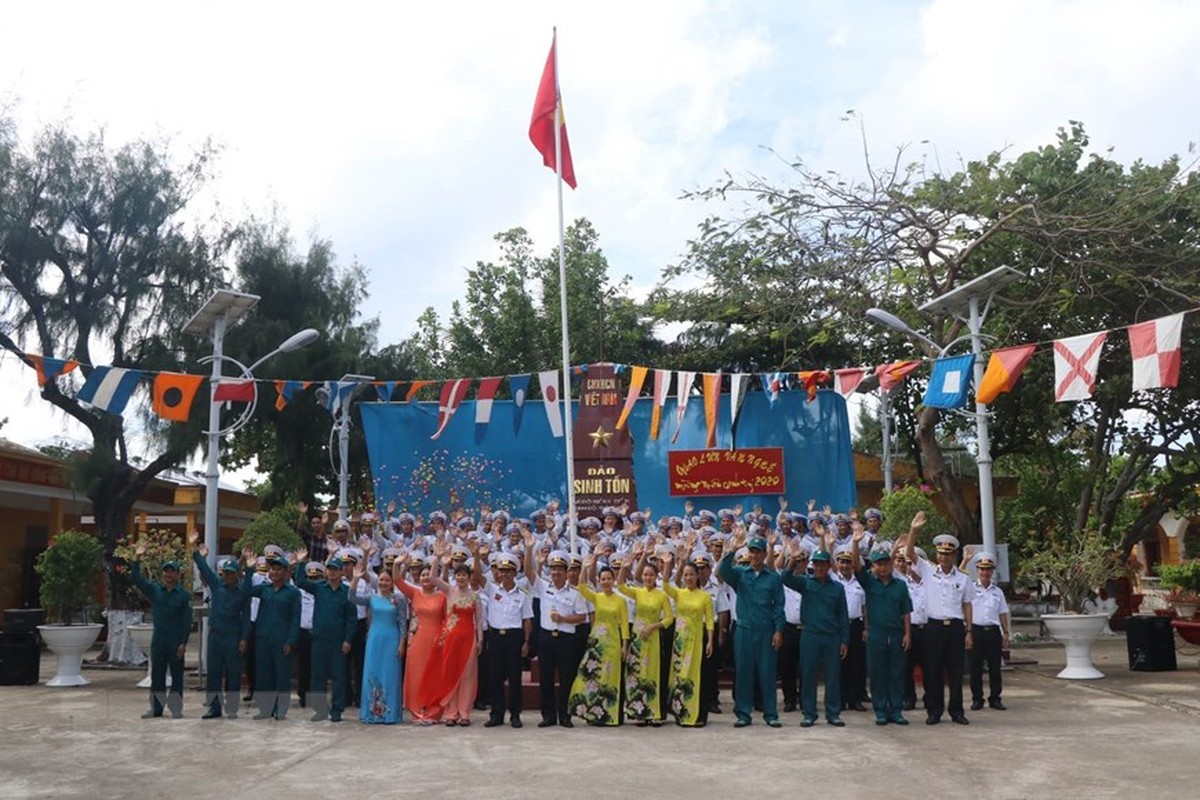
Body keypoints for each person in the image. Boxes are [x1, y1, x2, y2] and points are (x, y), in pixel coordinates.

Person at [905, 514, 974, 725]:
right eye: (941, 554)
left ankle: (956, 711)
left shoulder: (963, 578)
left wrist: (969, 631)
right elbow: (909, 553)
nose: (944, 558)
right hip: (933, 627)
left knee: (955, 671)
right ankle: (934, 711)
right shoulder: (928, 570)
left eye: (948, 554)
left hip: (954, 627)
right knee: (933, 670)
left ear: (954, 555)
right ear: (937, 554)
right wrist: (913, 530)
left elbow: (968, 604)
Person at [717, 530, 786, 728]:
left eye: (758, 552)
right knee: (744, 672)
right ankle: (743, 713)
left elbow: (778, 606)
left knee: (767, 673)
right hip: (744, 630)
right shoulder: (740, 574)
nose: (754, 556)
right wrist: (733, 549)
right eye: (751, 552)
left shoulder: (773, 578)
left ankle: (770, 713)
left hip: (766, 630)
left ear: (765, 554)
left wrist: (779, 630)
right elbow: (723, 570)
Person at [781, 545, 848, 727]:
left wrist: (844, 641)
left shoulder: (837, 588)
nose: (819, 568)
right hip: (810, 635)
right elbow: (785, 578)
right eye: (816, 564)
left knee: (832, 676)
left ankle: (833, 713)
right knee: (808, 675)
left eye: (822, 564)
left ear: (829, 565)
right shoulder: (806, 582)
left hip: (831, 637)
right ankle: (809, 713)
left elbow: (843, 615)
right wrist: (793, 560)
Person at [852, 528, 912, 726]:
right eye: (879, 564)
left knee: (896, 672)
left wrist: (908, 634)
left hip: (896, 634)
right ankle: (880, 710)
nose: (883, 567)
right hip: (876, 633)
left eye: (886, 563)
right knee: (877, 673)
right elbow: (856, 567)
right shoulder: (870, 583)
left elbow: (906, 611)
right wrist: (855, 543)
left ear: (891, 564)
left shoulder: (900, 586)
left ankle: (895, 710)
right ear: (874, 566)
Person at [526, 543, 589, 728]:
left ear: (566, 571)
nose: (555, 572)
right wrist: (529, 549)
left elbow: (582, 616)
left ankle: (565, 715)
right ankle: (548, 716)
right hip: (546, 638)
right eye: (553, 568)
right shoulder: (544, 587)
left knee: (566, 678)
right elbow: (528, 572)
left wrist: (562, 619)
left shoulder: (575, 593)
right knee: (546, 678)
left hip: (566, 639)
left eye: (559, 569)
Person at [189, 530, 251, 719]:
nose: (228, 576)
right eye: (226, 573)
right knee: (214, 674)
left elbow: (247, 617)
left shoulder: (242, 592)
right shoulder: (217, 586)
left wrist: (244, 638)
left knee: (233, 674)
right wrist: (194, 548)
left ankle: (231, 708)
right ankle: (214, 707)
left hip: (233, 637)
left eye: (232, 573)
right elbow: (204, 569)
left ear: (237, 574)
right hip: (215, 636)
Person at [290, 551, 357, 722]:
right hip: (319, 639)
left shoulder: (347, 592)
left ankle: (337, 710)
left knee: (338, 677)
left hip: (338, 641)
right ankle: (319, 710)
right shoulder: (319, 587)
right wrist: (300, 563)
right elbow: (300, 582)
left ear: (342, 572)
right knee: (317, 676)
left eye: (336, 569)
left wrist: (348, 640)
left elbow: (351, 619)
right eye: (330, 569)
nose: (332, 572)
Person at [129, 548, 193, 719]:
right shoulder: (155, 590)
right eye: (166, 571)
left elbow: (187, 620)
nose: (168, 575)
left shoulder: (184, 595)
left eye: (172, 572)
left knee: (177, 676)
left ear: (178, 575)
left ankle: (176, 708)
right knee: (157, 675)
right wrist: (137, 559)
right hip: (159, 640)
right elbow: (136, 579)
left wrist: (183, 642)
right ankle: (156, 709)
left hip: (175, 641)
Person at [617, 548, 674, 726]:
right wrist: (623, 568)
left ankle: (654, 713)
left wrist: (654, 626)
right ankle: (638, 711)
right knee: (637, 673)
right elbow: (620, 586)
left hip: (654, 637)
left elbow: (670, 618)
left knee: (653, 673)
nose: (648, 578)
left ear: (656, 576)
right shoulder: (638, 592)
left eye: (651, 575)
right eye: (645, 575)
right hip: (638, 637)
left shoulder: (661, 595)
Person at [348, 554, 408, 724]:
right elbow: (352, 598)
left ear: (392, 582)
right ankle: (372, 712)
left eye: (387, 580)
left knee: (390, 675)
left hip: (392, 640)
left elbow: (403, 623)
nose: (383, 583)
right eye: (381, 580)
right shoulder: (372, 598)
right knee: (372, 674)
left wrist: (402, 643)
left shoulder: (399, 599)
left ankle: (389, 713)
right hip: (374, 640)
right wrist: (355, 578)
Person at [242, 549, 301, 720]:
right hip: (263, 639)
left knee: (281, 676)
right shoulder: (264, 589)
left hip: (282, 640)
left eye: (278, 569)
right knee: (264, 676)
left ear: (286, 572)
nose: (274, 572)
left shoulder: (292, 593)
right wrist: (250, 570)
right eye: (272, 569)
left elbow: (295, 619)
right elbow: (246, 591)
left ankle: (281, 710)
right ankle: (265, 709)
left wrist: (291, 640)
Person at [569, 557, 629, 726]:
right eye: (603, 579)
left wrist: (625, 646)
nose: (606, 581)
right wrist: (586, 568)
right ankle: (592, 712)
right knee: (591, 677)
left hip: (613, 641)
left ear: (614, 580)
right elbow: (581, 587)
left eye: (609, 578)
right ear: (599, 581)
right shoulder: (596, 597)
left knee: (610, 677)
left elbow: (624, 624)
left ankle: (610, 714)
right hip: (596, 642)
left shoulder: (621, 600)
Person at [479, 551, 533, 728]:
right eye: (502, 571)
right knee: (494, 677)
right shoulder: (492, 588)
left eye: (508, 571)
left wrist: (526, 642)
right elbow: (477, 577)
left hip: (514, 638)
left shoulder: (522, 593)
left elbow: (527, 619)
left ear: (515, 573)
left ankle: (515, 715)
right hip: (496, 637)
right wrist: (474, 553)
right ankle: (496, 714)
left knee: (515, 678)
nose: (505, 574)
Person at [394, 552, 448, 723]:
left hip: (436, 640)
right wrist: (398, 564)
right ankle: (417, 712)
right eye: (423, 575)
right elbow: (397, 581)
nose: (426, 578)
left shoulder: (442, 596)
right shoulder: (415, 593)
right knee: (416, 675)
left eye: (429, 575)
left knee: (434, 676)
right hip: (417, 640)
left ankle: (433, 712)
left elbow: (447, 619)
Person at [430, 557, 484, 726]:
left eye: (463, 575)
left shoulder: (475, 597)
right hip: (450, 638)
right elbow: (433, 579)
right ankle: (451, 713)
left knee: (467, 676)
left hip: (468, 639)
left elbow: (480, 621)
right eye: (458, 575)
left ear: (469, 577)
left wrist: (480, 640)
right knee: (450, 673)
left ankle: (464, 713)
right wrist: (437, 559)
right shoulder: (450, 591)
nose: (461, 578)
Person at [662, 554, 714, 727]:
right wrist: (668, 565)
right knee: (679, 676)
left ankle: (698, 714)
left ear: (697, 576)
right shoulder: (679, 593)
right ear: (682, 577)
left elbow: (709, 620)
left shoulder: (704, 596)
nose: (689, 578)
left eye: (692, 574)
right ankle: (680, 711)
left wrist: (710, 641)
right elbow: (664, 585)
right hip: (680, 641)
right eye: (686, 575)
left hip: (697, 640)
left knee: (696, 676)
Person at [969, 551, 1009, 711]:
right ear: (977, 570)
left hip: (993, 632)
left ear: (992, 571)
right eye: (982, 569)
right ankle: (977, 699)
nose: (985, 572)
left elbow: (1002, 612)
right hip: (976, 631)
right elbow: (966, 609)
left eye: (988, 569)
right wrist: (968, 632)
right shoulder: (971, 589)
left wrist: (1006, 632)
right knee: (975, 668)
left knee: (995, 668)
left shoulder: (997, 592)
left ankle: (995, 698)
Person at [778, 545, 810, 713]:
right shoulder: (784, 581)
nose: (800, 563)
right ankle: (789, 699)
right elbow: (784, 574)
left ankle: (805, 699)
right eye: (797, 560)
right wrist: (791, 558)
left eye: (803, 560)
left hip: (806, 629)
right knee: (787, 667)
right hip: (788, 628)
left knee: (805, 667)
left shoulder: (811, 580)